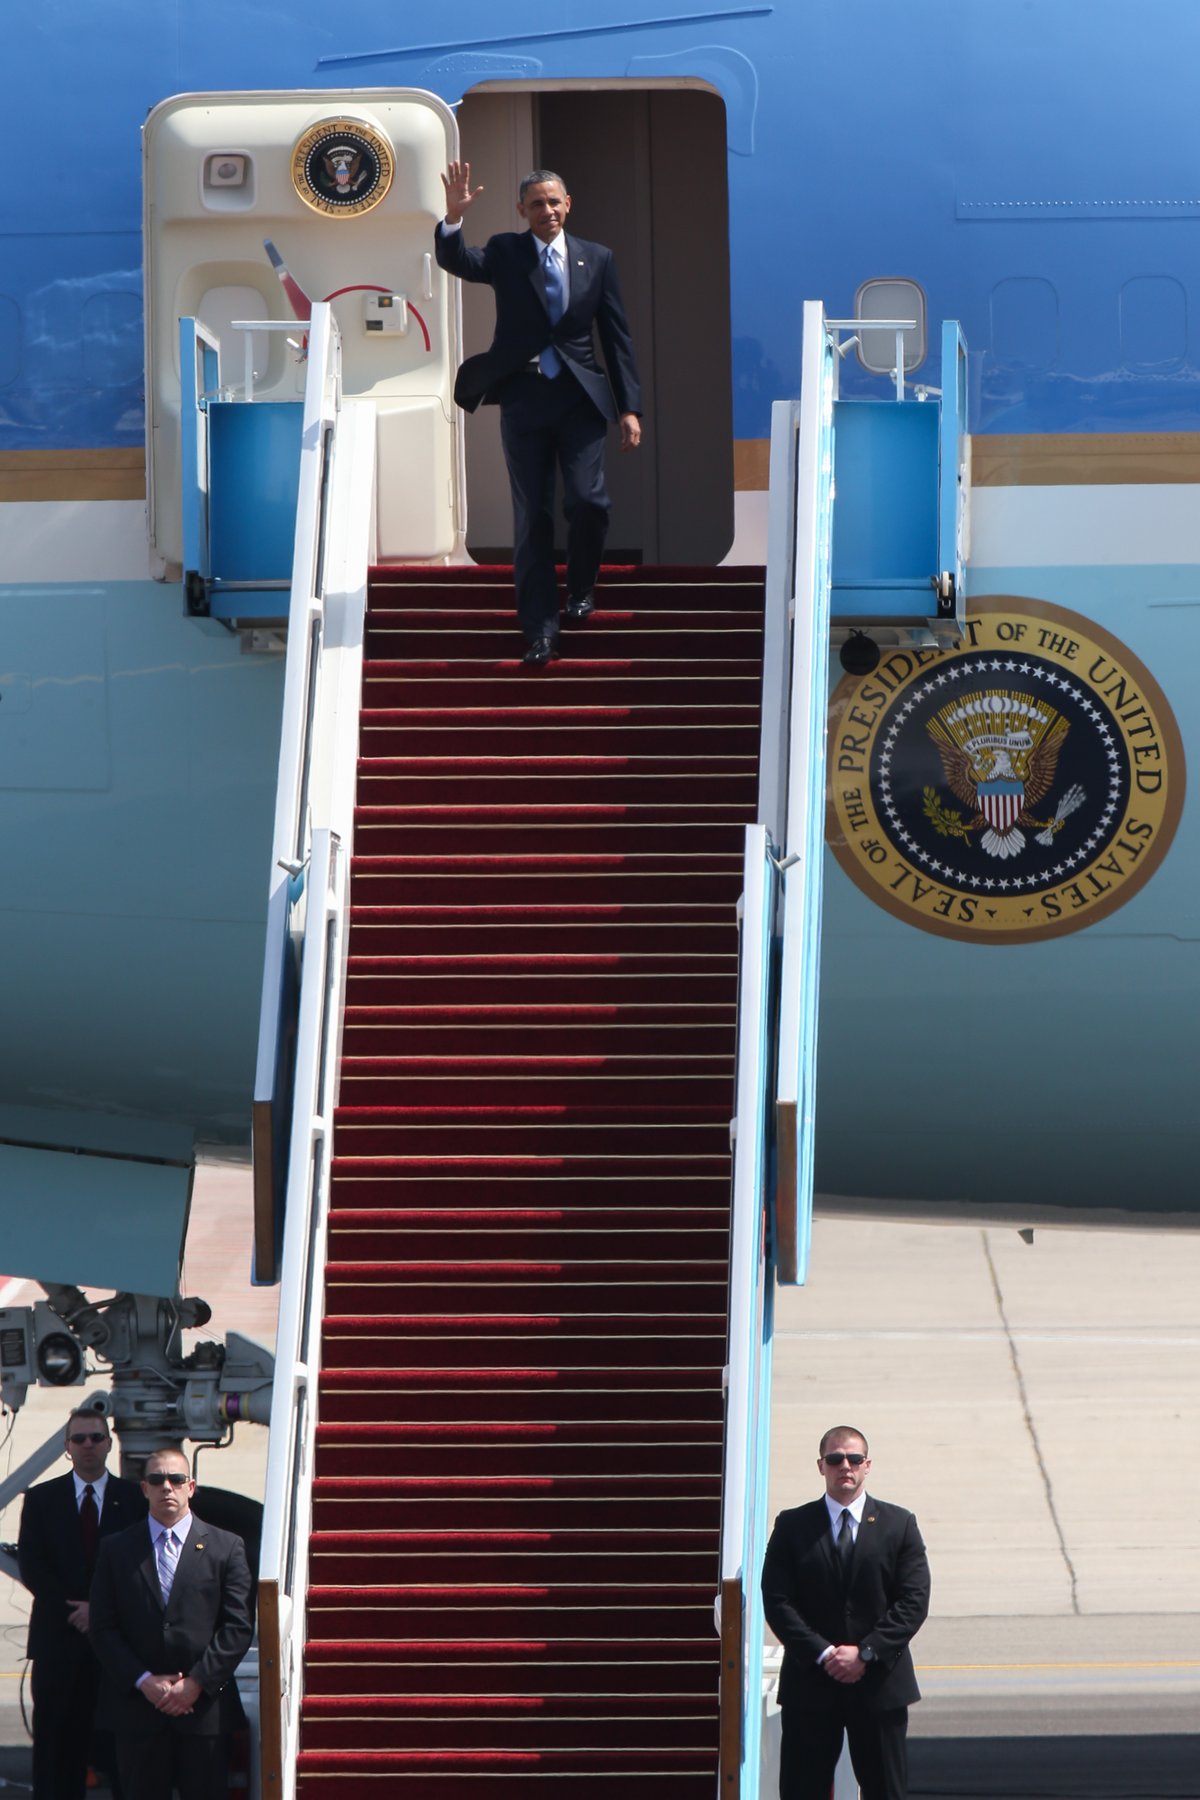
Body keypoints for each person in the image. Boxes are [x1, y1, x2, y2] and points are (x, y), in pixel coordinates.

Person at [434, 160, 643, 666]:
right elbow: (459, 262)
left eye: (554, 202)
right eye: (536, 204)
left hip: (580, 400)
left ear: (567, 205)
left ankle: (582, 588)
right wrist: (453, 220)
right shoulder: (507, 252)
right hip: (525, 399)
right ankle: (541, 633)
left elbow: (615, 339)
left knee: (588, 501)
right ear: (521, 211)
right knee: (533, 519)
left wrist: (628, 408)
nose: (546, 211)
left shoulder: (597, 258)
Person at [761, 1426, 931, 1800]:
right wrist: (824, 1653)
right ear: (821, 1466)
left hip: (880, 1684)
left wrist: (866, 1652)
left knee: (885, 1790)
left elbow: (913, 1601)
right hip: (811, 1684)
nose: (845, 1466)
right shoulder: (792, 1526)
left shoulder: (898, 1524)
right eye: (835, 1459)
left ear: (867, 1466)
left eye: (854, 1459)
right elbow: (777, 1599)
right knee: (802, 1789)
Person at [88, 1445, 253, 1800]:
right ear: (143, 1488)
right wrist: (144, 1681)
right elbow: (102, 1628)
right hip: (137, 1711)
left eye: (176, 1479)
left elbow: (237, 1627)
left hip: (205, 1711)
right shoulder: (116, 1549)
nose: (167, 1487)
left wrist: (196, 1683)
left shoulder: (227, 1548)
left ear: (191, 1487)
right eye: (156, 1479)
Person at [17, 1405, 147, 1800]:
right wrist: (75, 1611)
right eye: (79, 1439)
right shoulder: (41, 1499)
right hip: (59, 1638)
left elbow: (141, 1565)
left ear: (109, 1443)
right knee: (57, 1745)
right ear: (67, 1448)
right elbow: (32, 1565)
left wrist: (100, 1611)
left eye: (96, 1437)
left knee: (122, 1745)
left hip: (117, 1644)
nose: (88, 1445)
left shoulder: (134, 1498)